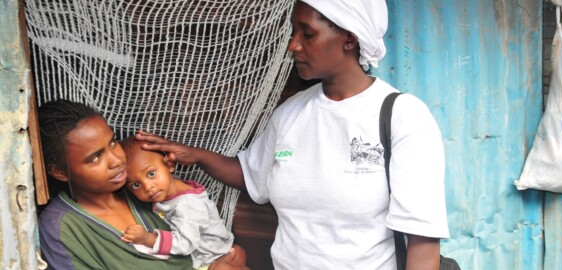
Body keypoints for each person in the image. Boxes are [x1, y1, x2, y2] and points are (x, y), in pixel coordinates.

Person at [135, 1, 450, 269]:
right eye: (293, 31)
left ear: (350, 38)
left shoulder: (402, 116)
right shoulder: (290, 113)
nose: (293, 44)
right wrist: (198, 155)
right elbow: (252, 175)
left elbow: (422, 240)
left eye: (307, 33)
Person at [36, 99, 193, 269]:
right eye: (96, 157)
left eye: (113, 142)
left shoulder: (143, 187)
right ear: (60, 172)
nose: (117, 160)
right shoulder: (61, 228)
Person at [120, 137, 249, 270]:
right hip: (221, 249)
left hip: (211, 259)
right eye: (136, 185)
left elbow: (185, 244)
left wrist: (148, 239)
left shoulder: (187, 205)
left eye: (151, 173)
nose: (147, 187)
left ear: (169, 165)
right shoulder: (169, 189)